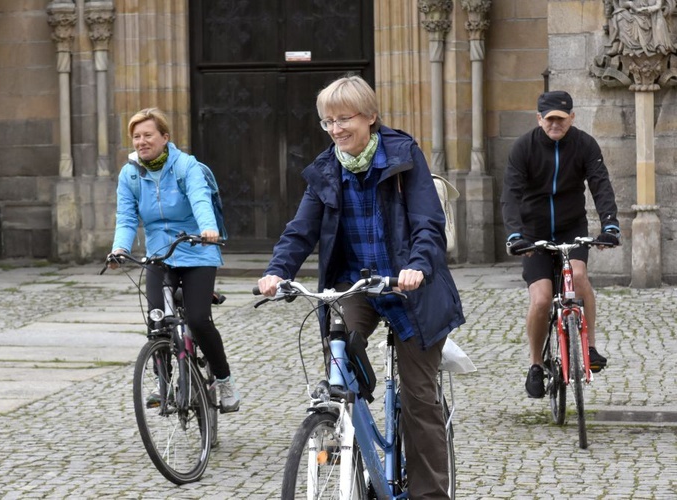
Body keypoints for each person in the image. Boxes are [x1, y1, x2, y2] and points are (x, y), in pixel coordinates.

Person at [256, 75, 465, 499]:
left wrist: (418, 267)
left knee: (419, 398)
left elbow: (428, 222)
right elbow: (301, 230)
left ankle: (430, 494)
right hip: (356, 287)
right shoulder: (326, 170)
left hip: (409, 288)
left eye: (344, 118)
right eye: (327, 121)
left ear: (370, 117)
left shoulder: (404, 157)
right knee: (339, 364)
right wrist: (277, 271)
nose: (335, 129)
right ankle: (348, 429)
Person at [109, 107, 240, 413]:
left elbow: (199, 197)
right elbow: (127, 217)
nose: (141, 141)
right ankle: (163, 382)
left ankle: (224, 380)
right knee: (156, 320)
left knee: (198, 319)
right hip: (159, 254)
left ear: (165, 137)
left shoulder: (185, 166)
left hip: (197, 249)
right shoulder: (130, 174)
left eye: (148, 135)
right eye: (136, 136)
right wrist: (119, 249)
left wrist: (208, 229)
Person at [501, 90, 621, 399]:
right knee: (541, 300)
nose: (556, 124)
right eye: (550, 118)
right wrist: (515, 235)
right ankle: (536, 365)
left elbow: (600, 183)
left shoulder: (584, 145)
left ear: (572, 118)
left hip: (571, 227)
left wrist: (609, 225)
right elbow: (511, 194)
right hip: (534, 231)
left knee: (579, 277)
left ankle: (590, 347)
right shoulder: (523, 148)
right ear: (539, 118)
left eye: (561, 119)